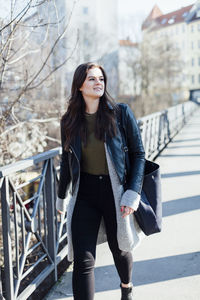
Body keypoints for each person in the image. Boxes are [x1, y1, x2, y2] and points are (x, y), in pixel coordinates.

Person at [56, 62, 145, 300]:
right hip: (84, 193)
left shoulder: (121, 113)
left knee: (121, 250)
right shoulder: (69, 121)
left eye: (101, 79)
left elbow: (139, 154)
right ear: (80, 86)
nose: (99, 83)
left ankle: (126, 287)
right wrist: (61, 195)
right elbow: (66, 160)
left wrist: (132, 193)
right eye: (92, 79)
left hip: (114, 192)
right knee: (83, 260)